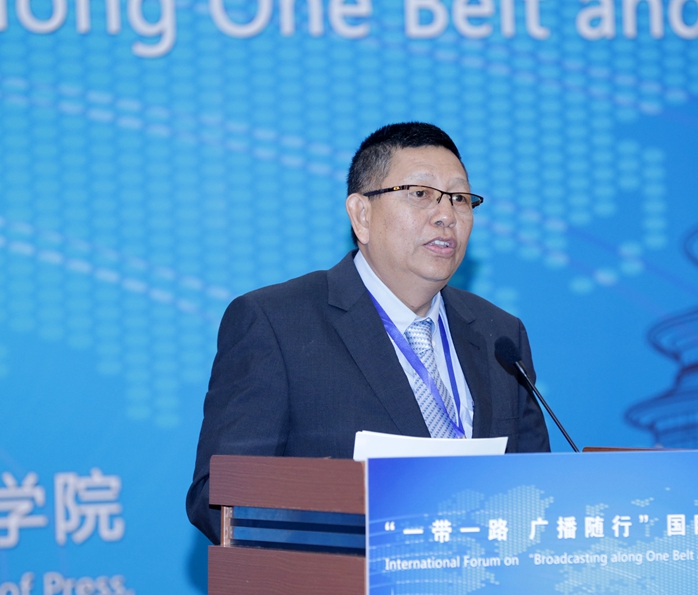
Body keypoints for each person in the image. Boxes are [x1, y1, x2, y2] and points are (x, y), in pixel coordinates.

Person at [186, 122, 550, 544]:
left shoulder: (499, 334)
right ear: (362, 215)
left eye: (460, 198)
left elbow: (537, 488)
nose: (446, 215)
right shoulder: (277, 323)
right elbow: (217, 498)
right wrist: (339, 510)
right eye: (420, 193)